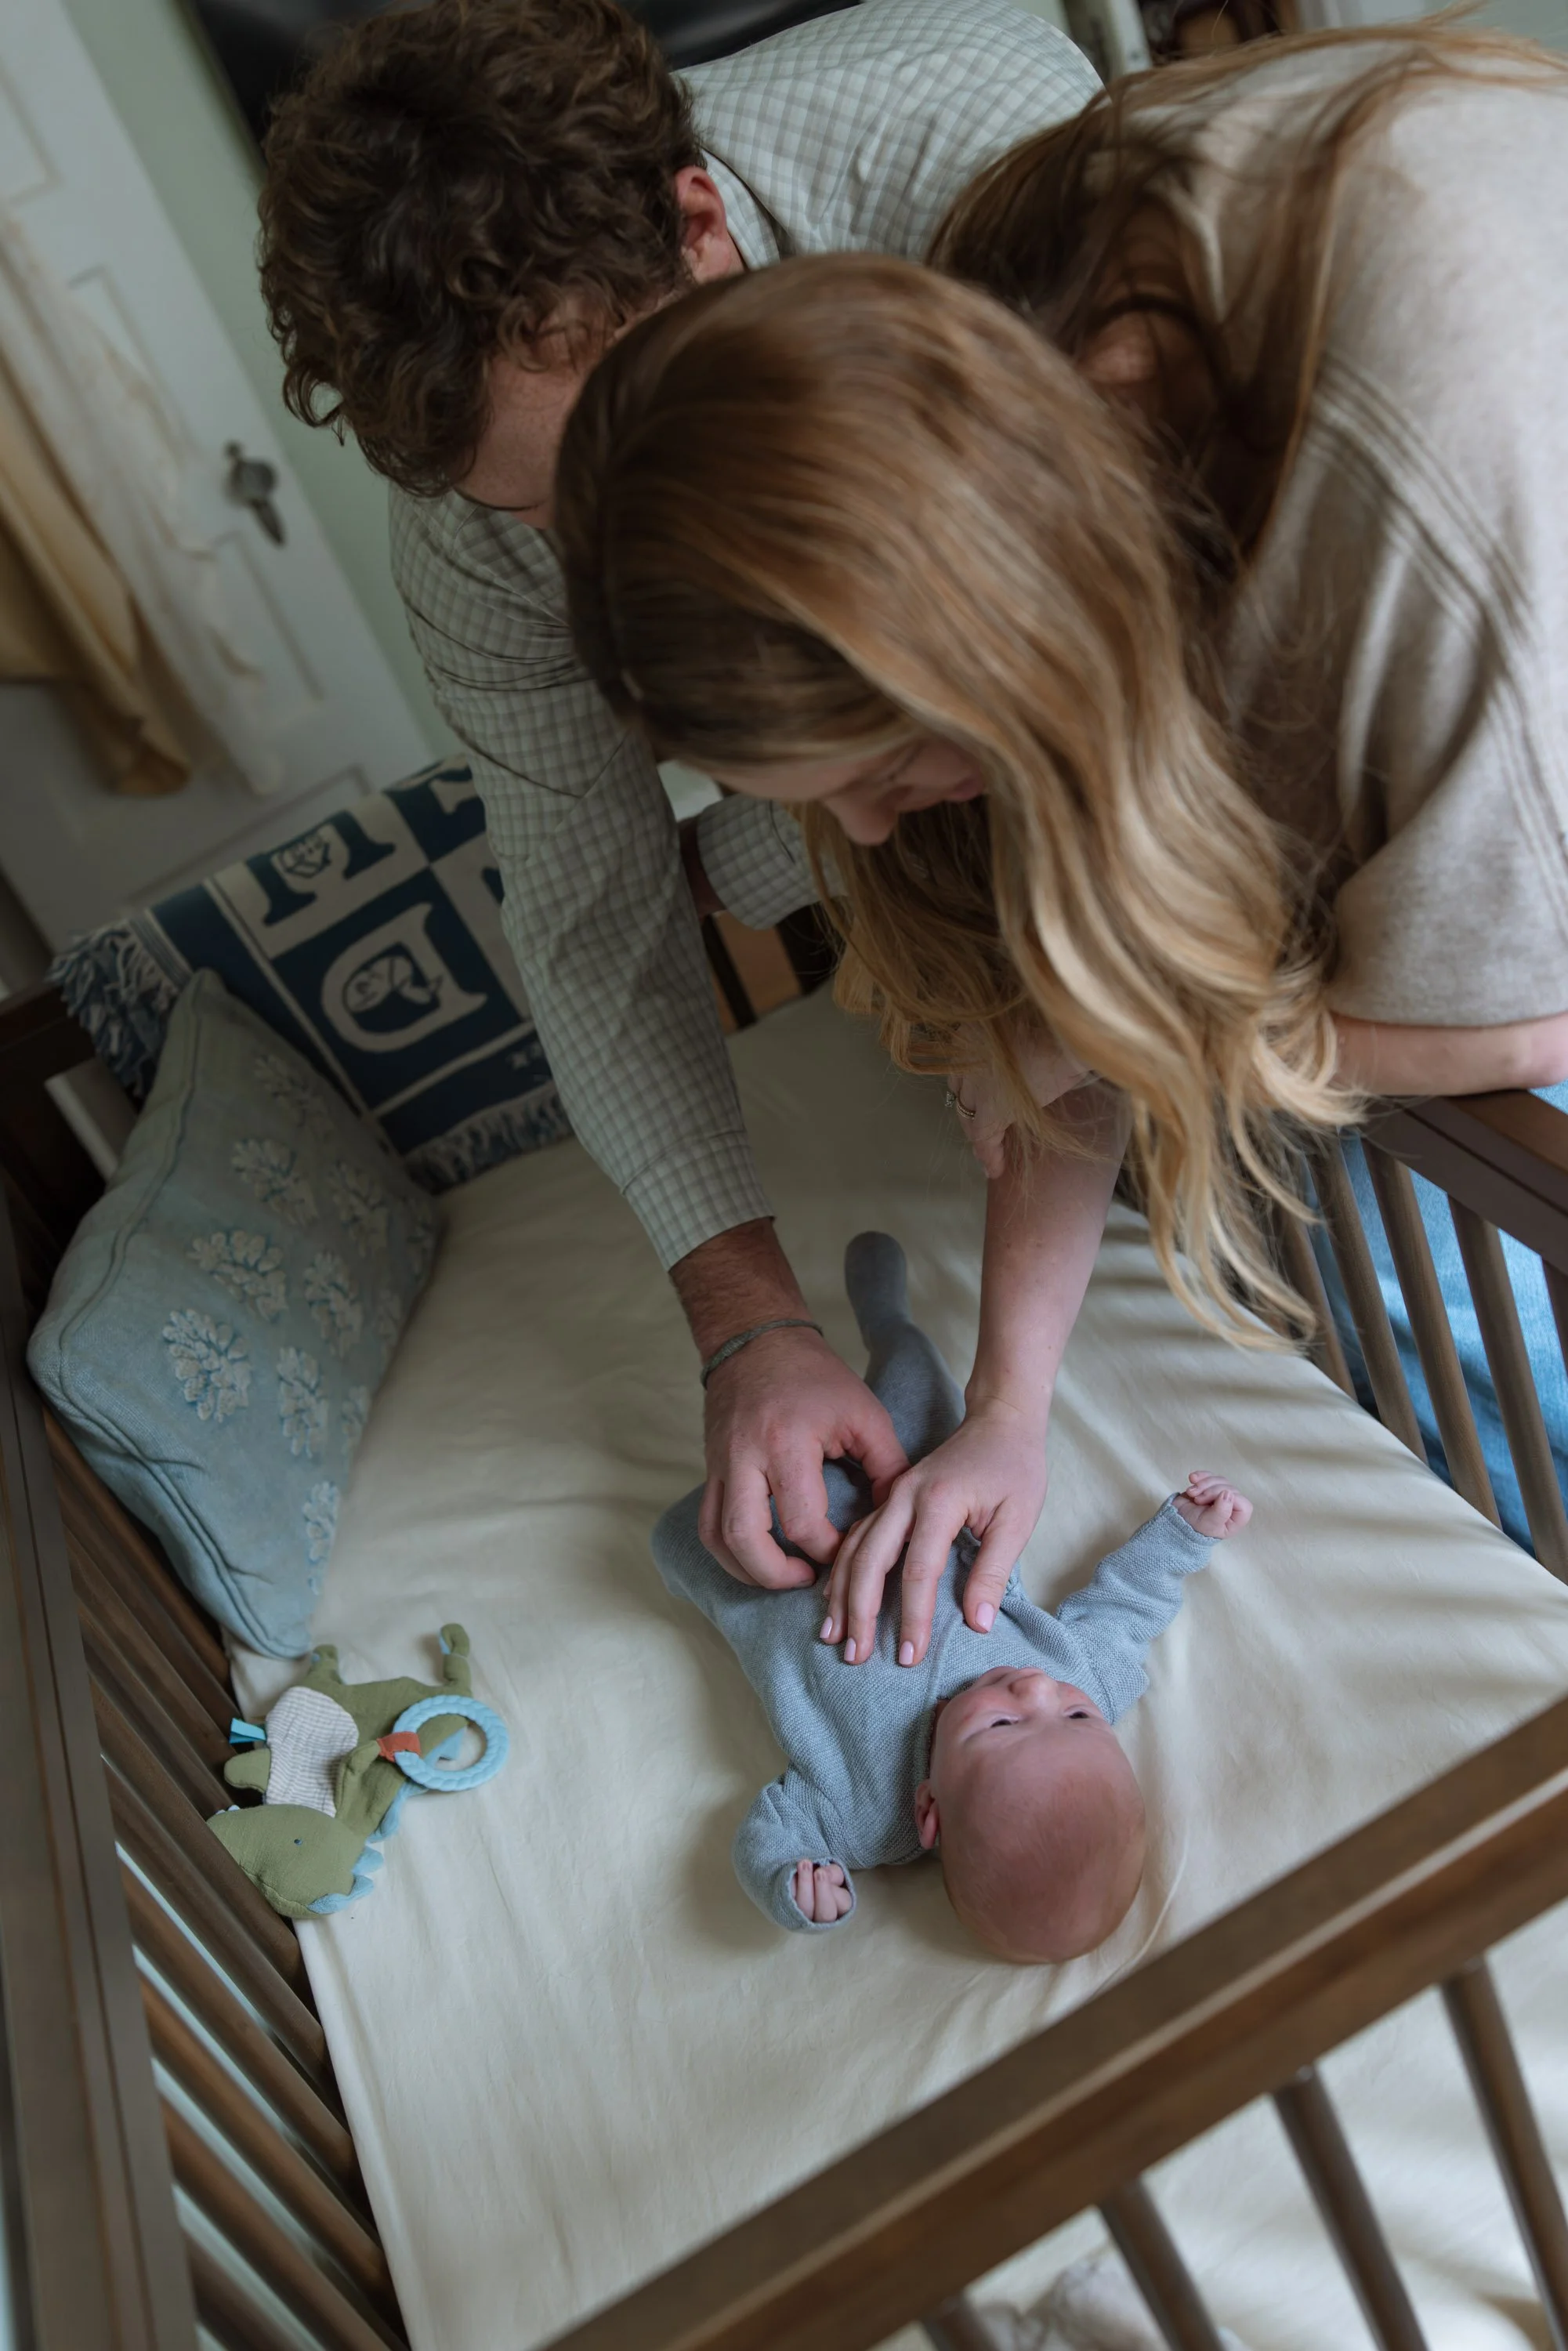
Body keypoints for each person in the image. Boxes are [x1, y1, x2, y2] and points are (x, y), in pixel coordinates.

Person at [555, 26, 1568, 1647]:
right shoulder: (990, 359)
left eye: (881, 765)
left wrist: (1119, 1036)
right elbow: (1048, 948)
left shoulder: (1416, 503)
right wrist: (1009, 1408)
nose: (868, 828)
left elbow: (1517, 1016)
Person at [255, 0, 1100, 1599]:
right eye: (547, 504)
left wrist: (1078, 977)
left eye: (620, 435)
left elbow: (1161, 630)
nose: (616, 535)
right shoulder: (470, 532)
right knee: (774, 861)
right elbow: (590, 921)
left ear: (697, 229)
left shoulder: (989, 157)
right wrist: (753, 1327)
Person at [654, 1233, 1250, 1958]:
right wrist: (1188, 1533)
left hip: (784, 1559)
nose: (1032, 1688)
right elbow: (1129, 1604)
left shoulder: (863, 1814)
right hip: (922, 1481)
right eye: (1076, 1714)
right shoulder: (1084, 1672)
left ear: (929, 1811)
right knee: (919, 1381)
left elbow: (773, 1830)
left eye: (1000, 1728)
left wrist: (792, 1880)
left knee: (697, 1535)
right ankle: (884, 1312)